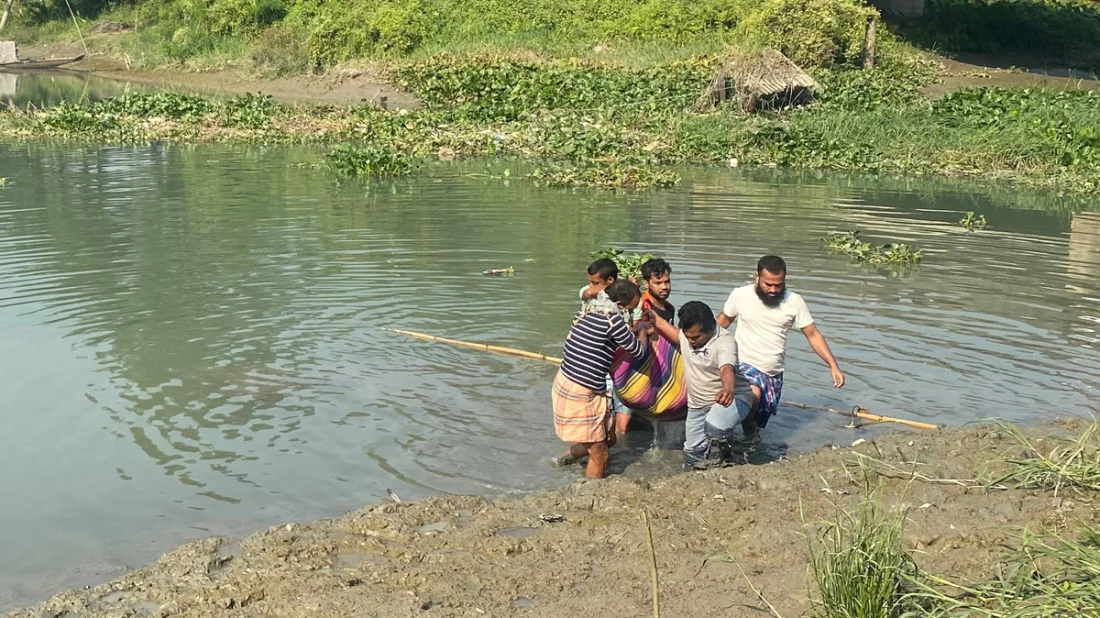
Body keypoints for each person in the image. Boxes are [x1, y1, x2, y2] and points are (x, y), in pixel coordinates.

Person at [717, 255, 845, 435]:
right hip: (744, 364)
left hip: (773, 374)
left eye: (778, 285)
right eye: (767, 284)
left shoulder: (794, 301)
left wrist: (833, 366)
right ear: (757, 277)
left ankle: (750, 437)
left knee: (760, 421)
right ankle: (742, 440)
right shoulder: (740, 295)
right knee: (753, 395)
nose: (773, 289)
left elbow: (813, 334)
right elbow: (721, 323)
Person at [552, 280, 650, 478]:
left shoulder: (588, 310)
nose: (631, 314)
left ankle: (563, 460)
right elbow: (639, 351)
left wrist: (633, 332)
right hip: (581, 391)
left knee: (608, 439)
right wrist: (643, 331)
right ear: (620, 305)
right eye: (630, 310)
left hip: (567, 382)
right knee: (601, 453)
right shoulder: (613, 319)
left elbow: (611, 336)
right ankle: (592, 494)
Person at [647, 301, 754, 469]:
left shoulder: (724, 342)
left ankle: (728, 459)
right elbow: (675, 334)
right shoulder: (687, 336)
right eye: (687, 336)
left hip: (732, 398)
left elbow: (726, 368)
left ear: (710, 329)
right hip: (697, 405)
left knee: (715, 427)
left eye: (695, 337)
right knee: (691, 453)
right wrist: (649, 314)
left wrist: (727, 389)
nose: (690, 341)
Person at [638, 258, 675, 324]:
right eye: (658, 283)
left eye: (667, 282)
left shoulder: (670, 308)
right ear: (646, 283)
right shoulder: (642, 307)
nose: (664, 287)